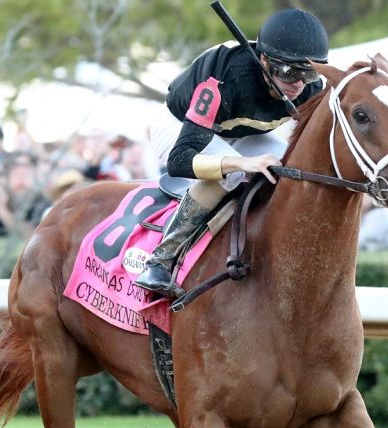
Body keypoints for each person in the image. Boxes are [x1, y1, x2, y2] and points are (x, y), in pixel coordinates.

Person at [135, 8, 328, 298]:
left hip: (237, 130)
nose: (298, 83)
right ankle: (160, 260)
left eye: (308, 71)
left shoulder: (311, 88)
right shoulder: (222, 80)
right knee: (236, 173)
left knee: (290, 168)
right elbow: (179, 161)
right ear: (264, 60)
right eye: (289, 71)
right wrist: (242, 162)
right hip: (179, 127)